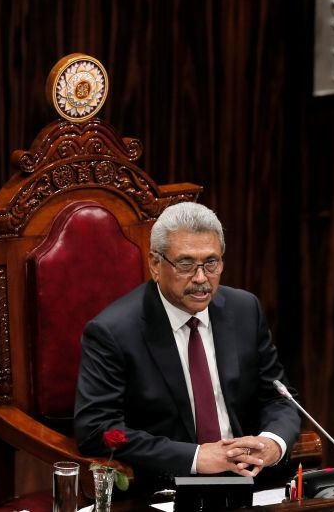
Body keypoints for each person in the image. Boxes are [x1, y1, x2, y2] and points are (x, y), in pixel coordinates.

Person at [74, 202, 301, 491]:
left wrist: (273, 442)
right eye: (185, 264)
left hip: (251, 482)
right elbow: (95, 427)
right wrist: (195, 457)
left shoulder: (245, 310)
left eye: (211, 262)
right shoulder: (113, 331)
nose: (201, 278)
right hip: (166, 487)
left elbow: (280, 397)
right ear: (156, 264)